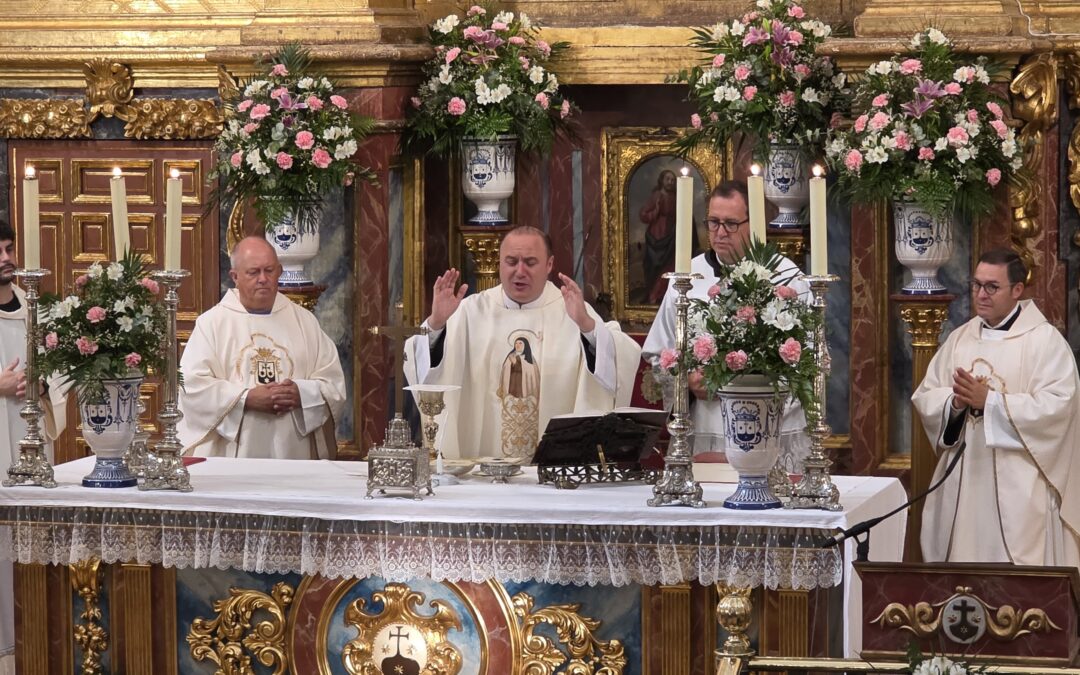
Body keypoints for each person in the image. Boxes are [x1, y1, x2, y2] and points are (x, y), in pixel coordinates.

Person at [405, 225, 641, 459]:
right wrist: (436, 323)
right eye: (511, 261)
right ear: (499, 262)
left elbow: (621, 357)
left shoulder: (571, 309)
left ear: (549, 265)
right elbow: (424, 367)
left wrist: (587, 327)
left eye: (530, 262)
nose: (520, 271)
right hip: (481, 472)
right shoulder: (470, 310)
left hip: (552, 478)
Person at [912, 249, 1080, 567]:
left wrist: (990, 401)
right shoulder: (961, 339)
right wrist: (956, 403)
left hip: (1020, 492)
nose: (981, 295)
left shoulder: (1044, 342)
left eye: (992, 287)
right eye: (976, 285)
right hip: (963, 486)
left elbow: (1059, 407)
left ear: (1017, 290)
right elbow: (927, 395)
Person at [642, 181, 811, 469]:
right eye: (713, 222)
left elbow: (807, 360)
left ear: (753, 222)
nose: (720, 233)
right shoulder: (686, 278)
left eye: (731, 224)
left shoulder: (787, 278)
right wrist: (686, 382)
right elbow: (659, 353)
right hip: (705, 425)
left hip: (770, 431)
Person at [177, 237, 346, 459]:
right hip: (231, 462)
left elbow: (333, 385)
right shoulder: (212, 324)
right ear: (235, 277)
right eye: (253, 272)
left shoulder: (305, 322)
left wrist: (301, 393)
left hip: (293, 456)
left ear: (280, 272)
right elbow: (192, 385)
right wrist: (245, 398)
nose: (263, 279)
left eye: (269, 270)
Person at [0, 220, 66, 669]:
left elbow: (59, 375)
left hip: (28, 447)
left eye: (8, 249)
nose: (6, 260)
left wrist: (40, 385)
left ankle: (36, 647)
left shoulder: (35, 310)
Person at [639, 169, 678, 304]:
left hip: (672, 236)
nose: (670, 182)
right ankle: (652, 295)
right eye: (668, 179)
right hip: (655, 236)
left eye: (672, 180)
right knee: (653, 267)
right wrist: (656, 210)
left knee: (669, 266)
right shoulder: (656, 196)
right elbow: (644, 215)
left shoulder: (676, 197)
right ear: (662, 180)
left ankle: (663, 296)